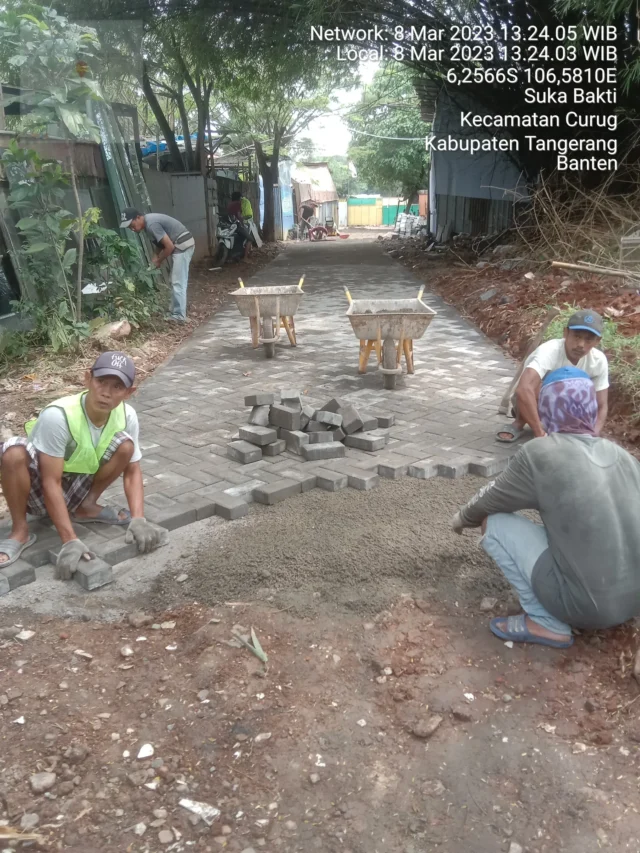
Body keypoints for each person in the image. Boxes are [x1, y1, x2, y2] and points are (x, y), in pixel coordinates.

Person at [453, 367, 640, 649]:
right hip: (633, 602)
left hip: (588, 608)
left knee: (495, 522)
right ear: (590, 407)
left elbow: (491, 500)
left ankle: (546, 623)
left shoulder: (541, 453)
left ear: (547, 408)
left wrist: (461, 518)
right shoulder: (622, 456)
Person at [0, 352, 167, 579]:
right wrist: (70, 541)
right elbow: (51, 481)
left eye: (117, 387)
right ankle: (20, 532)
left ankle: (86, 506)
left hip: (77, 486)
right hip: (37, 491)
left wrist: (139, 519)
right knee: (12, 452)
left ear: (129, 393)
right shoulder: (58, 416)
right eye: (101, 382)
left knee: (125, 446)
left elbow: (133, 470)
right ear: (87, 378)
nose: (106, 393)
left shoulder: (127, 416)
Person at [497, 309, 609, 442]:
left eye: (588, 340)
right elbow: (523, 389)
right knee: (533, 384)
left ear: (597, 341)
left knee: (584, 392)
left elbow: (601, 404)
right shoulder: (549, 351)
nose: (580, 345)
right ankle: (520, 422)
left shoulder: (598, 360)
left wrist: (593, 436)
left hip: (567, 412)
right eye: (577, 336)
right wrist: (540, 435)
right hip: (536, 404)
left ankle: (572, 430)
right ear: (566, 333)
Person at [120, 207, 195, 323]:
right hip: (181, 244)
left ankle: (179, 316)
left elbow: (169, 246)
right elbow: (161, 242)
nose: (132, 229)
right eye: (129, 227)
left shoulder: (151, 225)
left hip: (182, 245)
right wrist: (155, 255)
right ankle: (175, 311)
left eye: (132, 225)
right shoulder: (148, 223)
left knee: (178, 282)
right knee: (175, 280)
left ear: (138, 217)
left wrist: (159, 260)